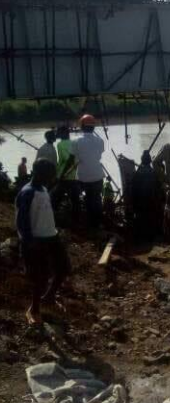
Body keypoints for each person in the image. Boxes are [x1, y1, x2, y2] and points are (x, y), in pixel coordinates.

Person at [15, 159, 70, 325]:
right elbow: (21, 220)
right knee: (41, 277)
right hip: (36, 241)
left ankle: (49, 297)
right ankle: (34, 310)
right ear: (40, 174)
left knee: (64, 268)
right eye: (51, 174)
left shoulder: (43, 189)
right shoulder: (27, 192)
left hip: (51, 236)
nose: (53, 177)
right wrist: (29, 242)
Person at [65, 115, 105, 231]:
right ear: (93, 128)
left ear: (82, 127)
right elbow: (98, 154)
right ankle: (98, 223)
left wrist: (63, 174)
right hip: (98, 174)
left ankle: (90, 224)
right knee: (97, 199)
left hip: (83, 176)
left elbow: (71, 160)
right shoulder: (100, 141)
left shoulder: (76, 141)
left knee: (87, 199)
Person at [131, 151, 161, 242]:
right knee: (150, 218)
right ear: (150, 161)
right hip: (151, 202)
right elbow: (158, 189)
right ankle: (151, 236)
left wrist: (133, 203)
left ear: (142, 161)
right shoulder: (153, 173)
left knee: (141, 219)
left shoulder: (138, 173)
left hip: (140, 202)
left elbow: (133, 189)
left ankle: (140, 237)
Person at [52, 126, 81, 220]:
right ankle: (76, 218)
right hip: (75, 174)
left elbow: (64, 160)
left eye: (59, 133)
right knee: (75, 199)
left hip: (64, 175)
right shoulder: (75, 143)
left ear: (63, 133)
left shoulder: (60, 144)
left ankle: (54, 216)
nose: (58, 135)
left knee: (56, 197)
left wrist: (60, 175)